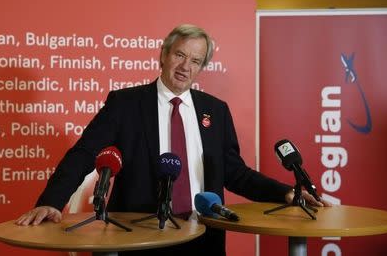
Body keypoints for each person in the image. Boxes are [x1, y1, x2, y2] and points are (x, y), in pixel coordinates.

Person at [16, 24, 330, 255]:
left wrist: (286, 193)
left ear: (202, 68)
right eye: (179, 55)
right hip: (137, 236)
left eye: (195, 61)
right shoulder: (125, 104)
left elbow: (235, 173)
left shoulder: (215, 111)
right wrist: (51, 201)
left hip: (202, 235)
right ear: (164, 55)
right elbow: (83, 153)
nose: (185, 67)